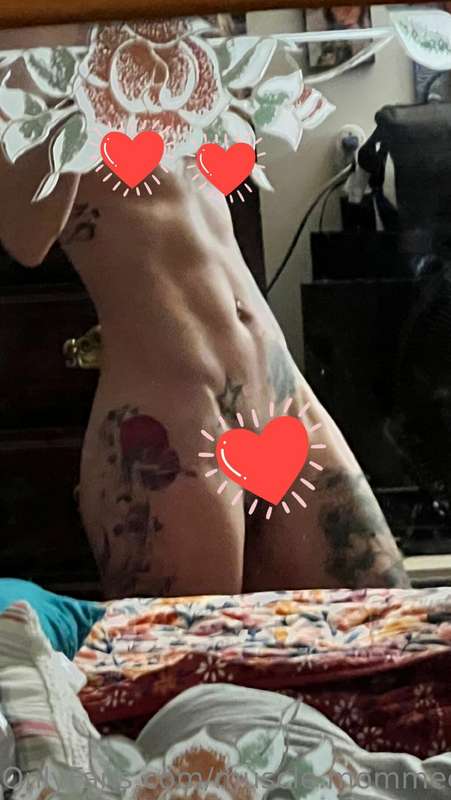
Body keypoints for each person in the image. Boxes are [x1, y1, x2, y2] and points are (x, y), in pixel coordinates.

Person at [0, 22, 410, 598]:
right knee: (197, 654)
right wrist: (83, 88)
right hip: (171, 411)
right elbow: (23, 236)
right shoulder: (25, 34)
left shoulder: (159, 20)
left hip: (277, 387)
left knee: (390, 621)